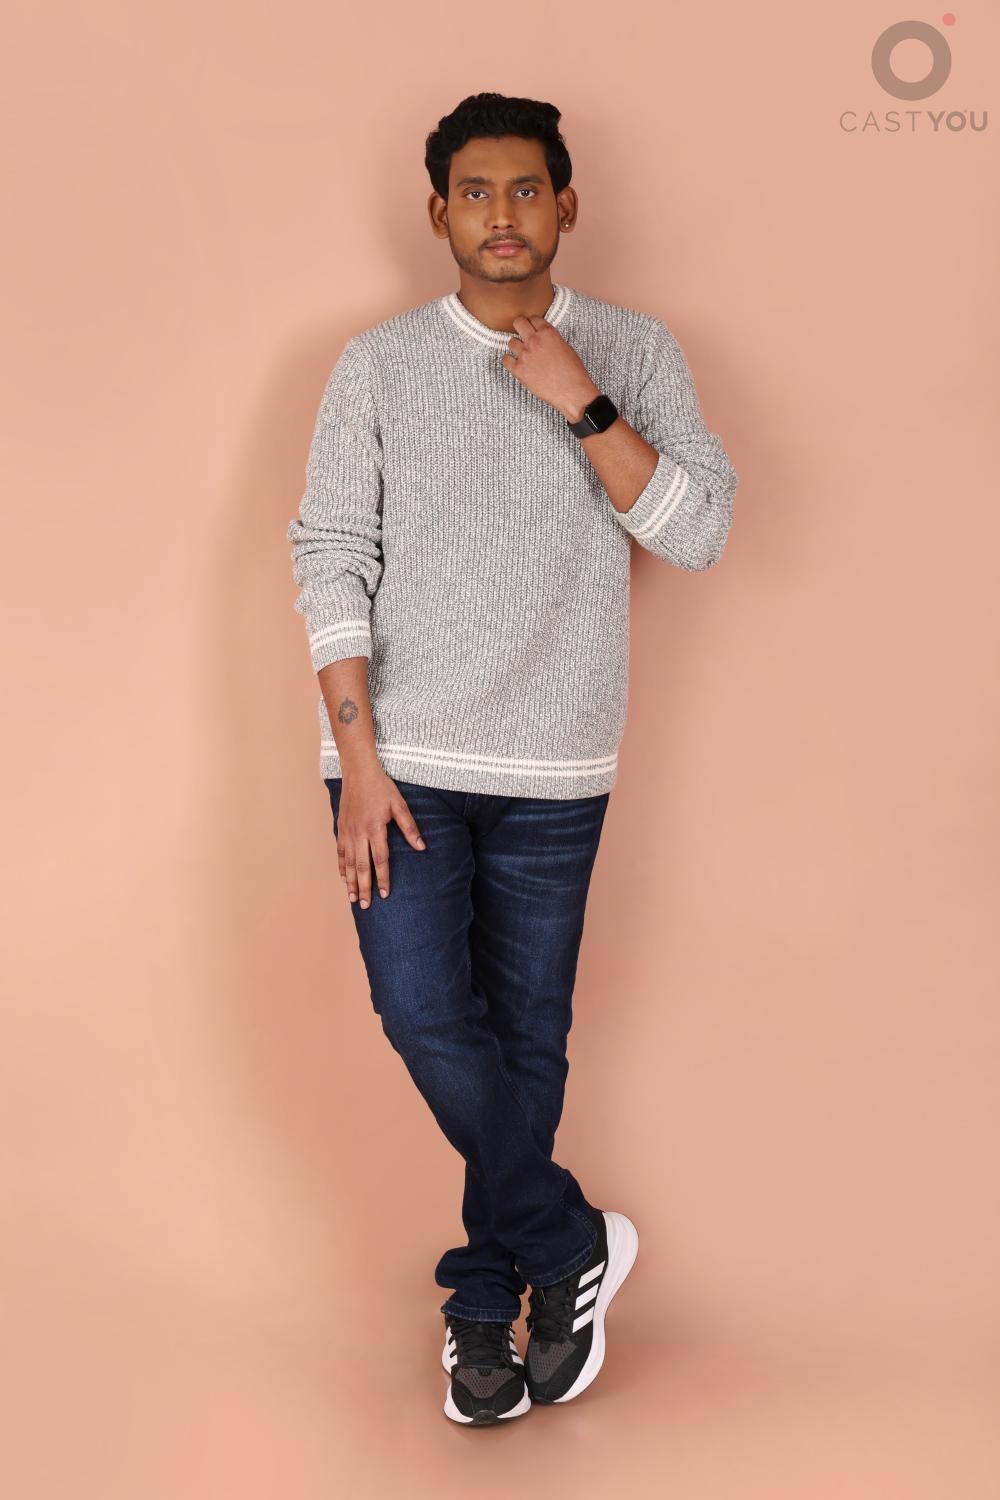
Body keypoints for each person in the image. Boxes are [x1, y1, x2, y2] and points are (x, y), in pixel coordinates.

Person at [286, 91, 739, 1426]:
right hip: (400, 762)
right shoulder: (377, 364)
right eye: (476, 192)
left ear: (565, 205)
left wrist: (582, 401)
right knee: (425, 1015)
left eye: (526, 189)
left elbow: (699, 532)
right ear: (440, 212)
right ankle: (569, 1240)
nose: (502, 214)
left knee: (528, 1040)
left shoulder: (633, 349)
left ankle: (490, 1302)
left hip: (556, 768)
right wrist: (357, 761)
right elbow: (331, 554)